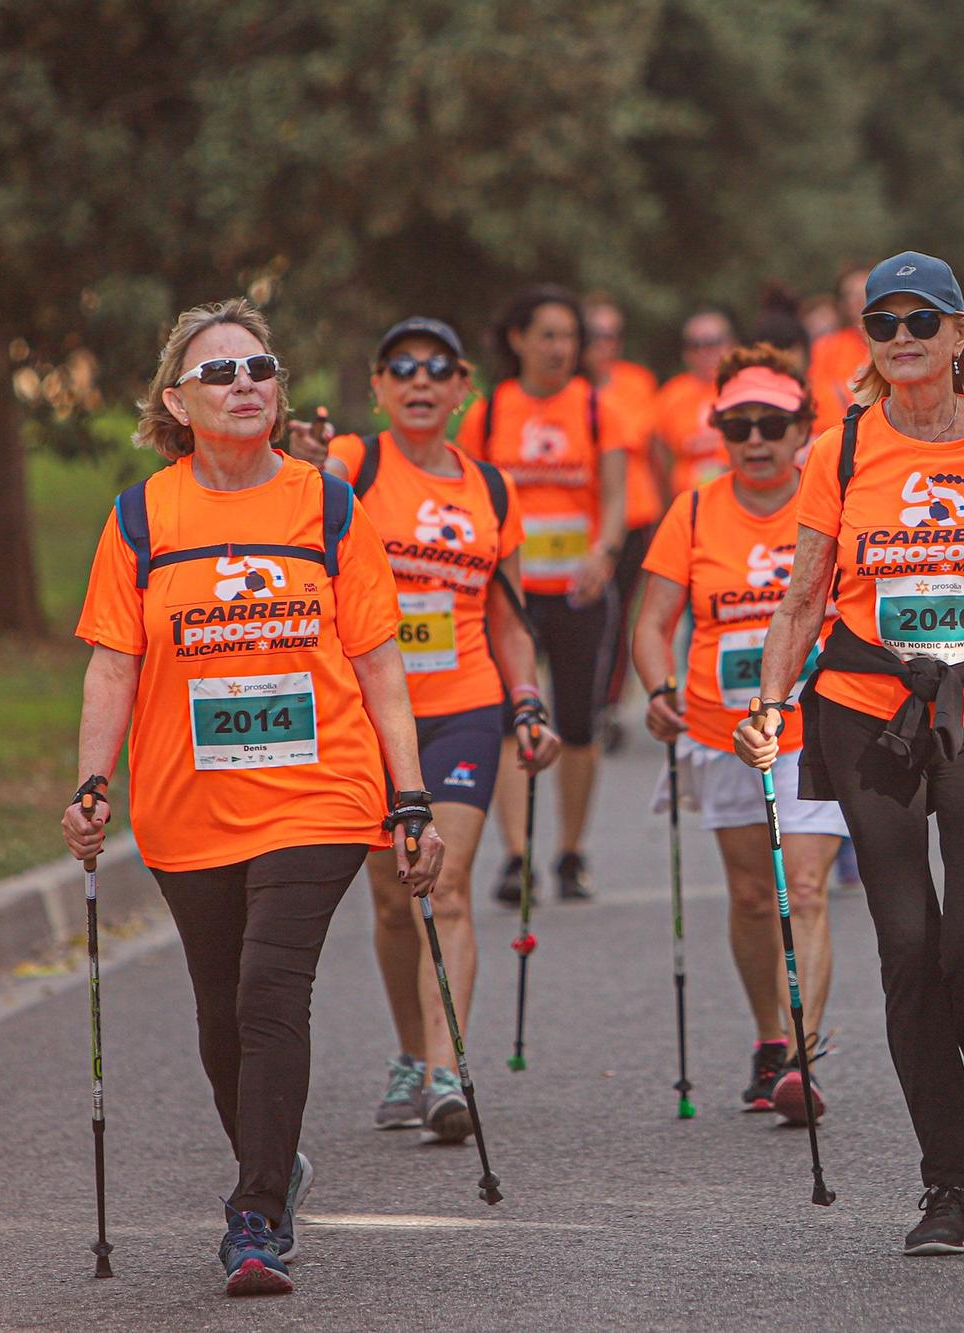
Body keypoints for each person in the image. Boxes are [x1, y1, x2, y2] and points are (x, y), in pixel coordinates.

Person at [61, 298, 445, 1297]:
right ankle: (274, 1164)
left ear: (278, 392)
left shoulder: (326, 506)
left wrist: (409, 798)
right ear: (176, 403)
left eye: (259, 368)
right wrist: (93, 782)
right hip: (188, 803)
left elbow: (380, 668)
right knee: (220, 1008)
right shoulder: (144, 515)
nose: (243, 385)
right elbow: (112, 665)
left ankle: (255, 1213)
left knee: (272, 988)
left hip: (318, 791)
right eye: (218, 372)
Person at [733, 250, 964, 1257]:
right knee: (905, 947)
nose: (899, 340)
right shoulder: (838, 449)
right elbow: (802, 594)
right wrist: (766, 705)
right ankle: (947, 1177)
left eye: (918, 322)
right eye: (881, 325)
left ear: (956, 334)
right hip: (860, 709)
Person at [309, 319, 563, 1140]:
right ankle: (412, 1056)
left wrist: (525, 700)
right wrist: (312, 467)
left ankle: (449, 1072)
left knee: (443, 885)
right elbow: (306, 499)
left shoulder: (491, 488)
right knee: (390, 901)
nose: (420, 381)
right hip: (369, 714)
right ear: (378, 386)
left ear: (463, 390)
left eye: (439, 369)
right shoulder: (355, 462)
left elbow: (511, 618)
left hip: (463, 708)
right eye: (401, 368)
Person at [632, 346, 847, 1122]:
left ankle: (801, 1051)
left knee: (810, 887)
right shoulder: (692, 511)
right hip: (722, 729)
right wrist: (657, 690)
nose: (755, 439)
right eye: (737, 425)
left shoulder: (835, 504)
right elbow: (653, 624)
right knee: (755, 893)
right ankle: (768, 1036)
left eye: (772, 424)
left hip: (813, 726)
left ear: (804, 431)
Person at [458, 285, 630, 902]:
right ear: (518, 339)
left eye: (569, 337)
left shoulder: (594, 406)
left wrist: (605, 553)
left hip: (579, 590)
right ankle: (516, 856)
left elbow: (616, 497)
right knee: (512, 718)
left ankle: (571, 852)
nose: (560, 348)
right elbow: (470, 493)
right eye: (548, 335)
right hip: (511, 593)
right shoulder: (490, 410)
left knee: (579, 720)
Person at [581, 292, 667, 755]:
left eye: (612, 335)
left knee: (617, 615)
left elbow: (654, 451)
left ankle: (607, 707)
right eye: (595, 335)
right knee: (585, 617)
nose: (604, 344)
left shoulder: (637, 383)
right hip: (581, 525)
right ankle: (576, 699)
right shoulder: (571, 389)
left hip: (634, 519)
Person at [652, 308, 737, 495]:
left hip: (739, 502)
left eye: (712, 343)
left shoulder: (744, 389)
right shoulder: (671, 394)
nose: (704, 351)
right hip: (687, 504)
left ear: (731, 344)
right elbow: (659, 460)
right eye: (695, 345)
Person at [808, 265, 872, 427]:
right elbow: (819, 403)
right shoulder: (826, 348)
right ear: (843, 305)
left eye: (866, 292)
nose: (860, 300)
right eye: (852, 295)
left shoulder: (900, 342)